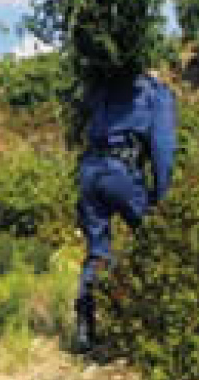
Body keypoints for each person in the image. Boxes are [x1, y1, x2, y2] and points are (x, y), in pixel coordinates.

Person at [73, 74, 177, 353]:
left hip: (89, 171)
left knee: (97, 252)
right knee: (156, 241)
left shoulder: (100, 85)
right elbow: (163, 150)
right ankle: (158, 318)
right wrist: (163, 197)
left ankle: (85, 327)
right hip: (122, 173)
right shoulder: (155, 93)